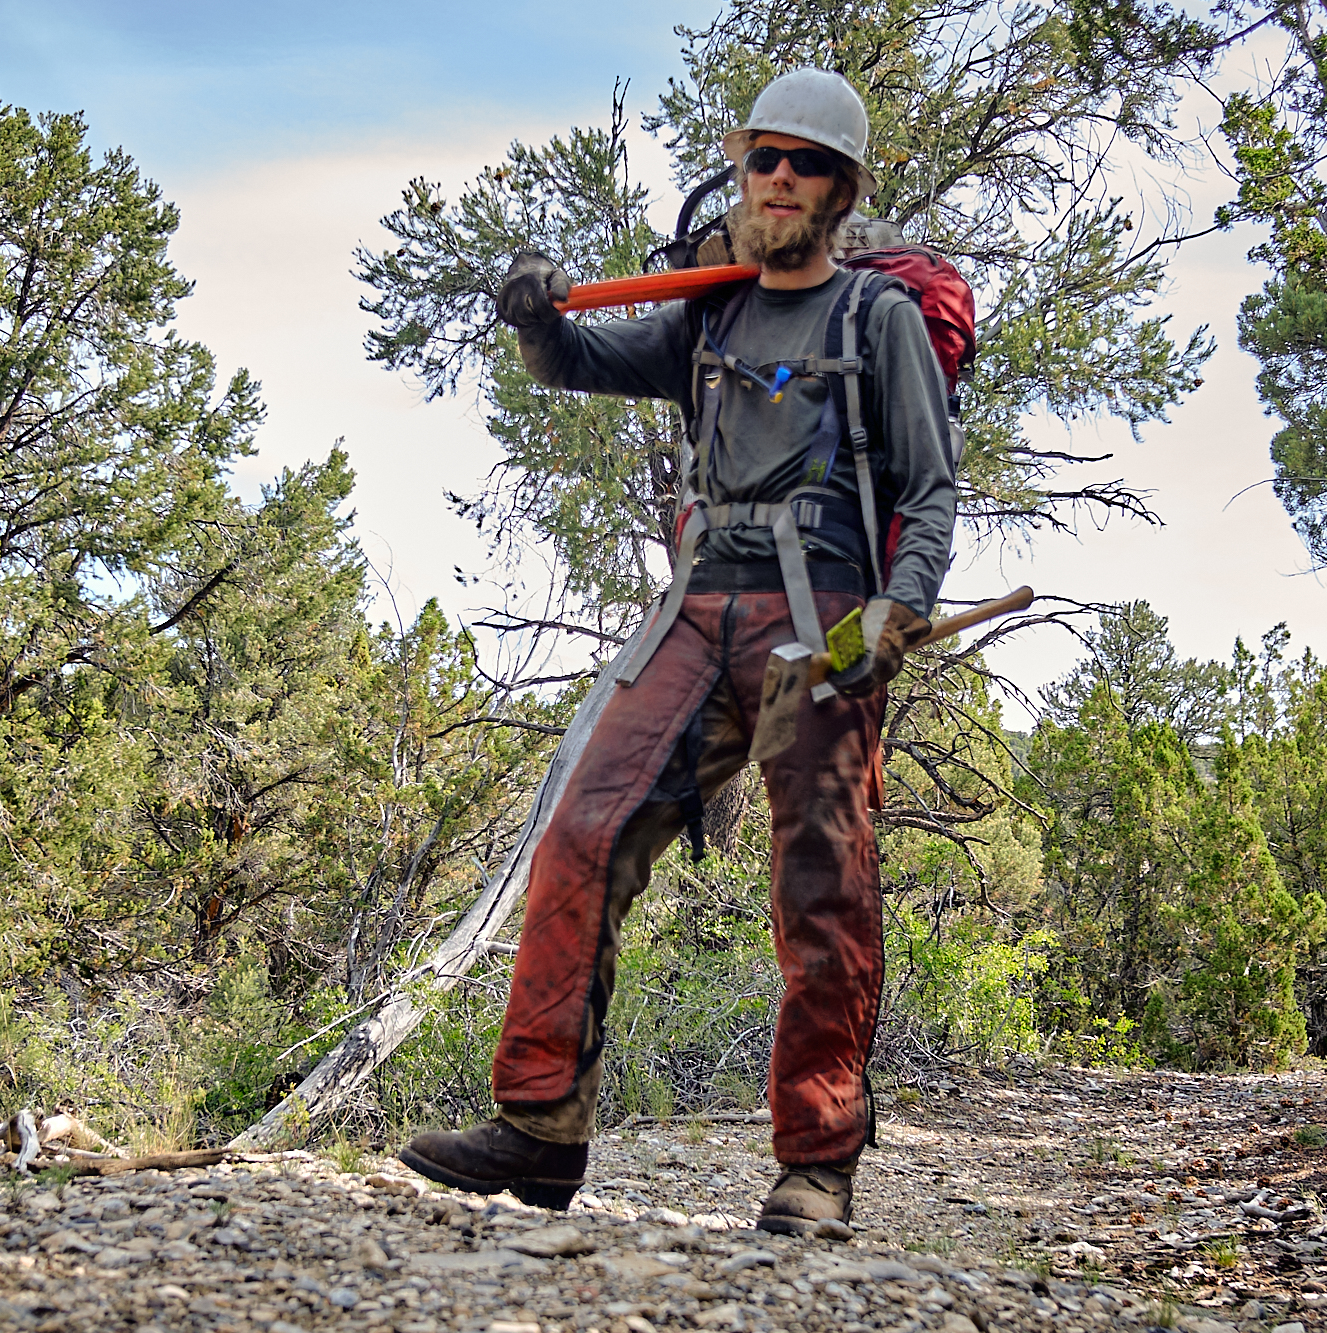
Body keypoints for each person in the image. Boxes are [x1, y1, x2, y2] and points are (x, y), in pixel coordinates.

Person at [397, 69, 958, 1235]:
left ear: (839, 190)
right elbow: (577, 367)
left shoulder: (877, 320)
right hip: (693, 612)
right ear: (741, 171)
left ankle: (815, 1169)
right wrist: (536, 315)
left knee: (823, 890)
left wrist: (893, 619)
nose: (778, 178)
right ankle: (540, 1131)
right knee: (582, 833)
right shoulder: (707, 314)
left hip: (822, 624)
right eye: (763, 157)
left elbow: (930, 488)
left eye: (804, 163)